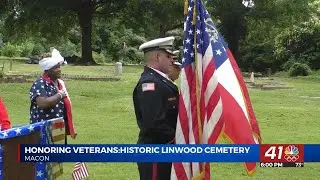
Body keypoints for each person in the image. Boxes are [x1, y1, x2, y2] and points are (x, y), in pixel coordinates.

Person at [133, 36, 179, 180]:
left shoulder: (160, 80)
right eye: (168, 55)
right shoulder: (149, 84)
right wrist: (178, 137)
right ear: (158, 57)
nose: (172, 59)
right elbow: (153, 124)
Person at [29, 48, 76, 140]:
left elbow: (65, 106)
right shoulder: (40, 83)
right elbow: (42, 103)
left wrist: (69, 125)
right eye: (55, 68)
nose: (59, 69)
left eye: (59, 67)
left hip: (58, 126)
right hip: (43, 128)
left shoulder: (59, 83)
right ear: (47, 70)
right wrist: (60, 95)